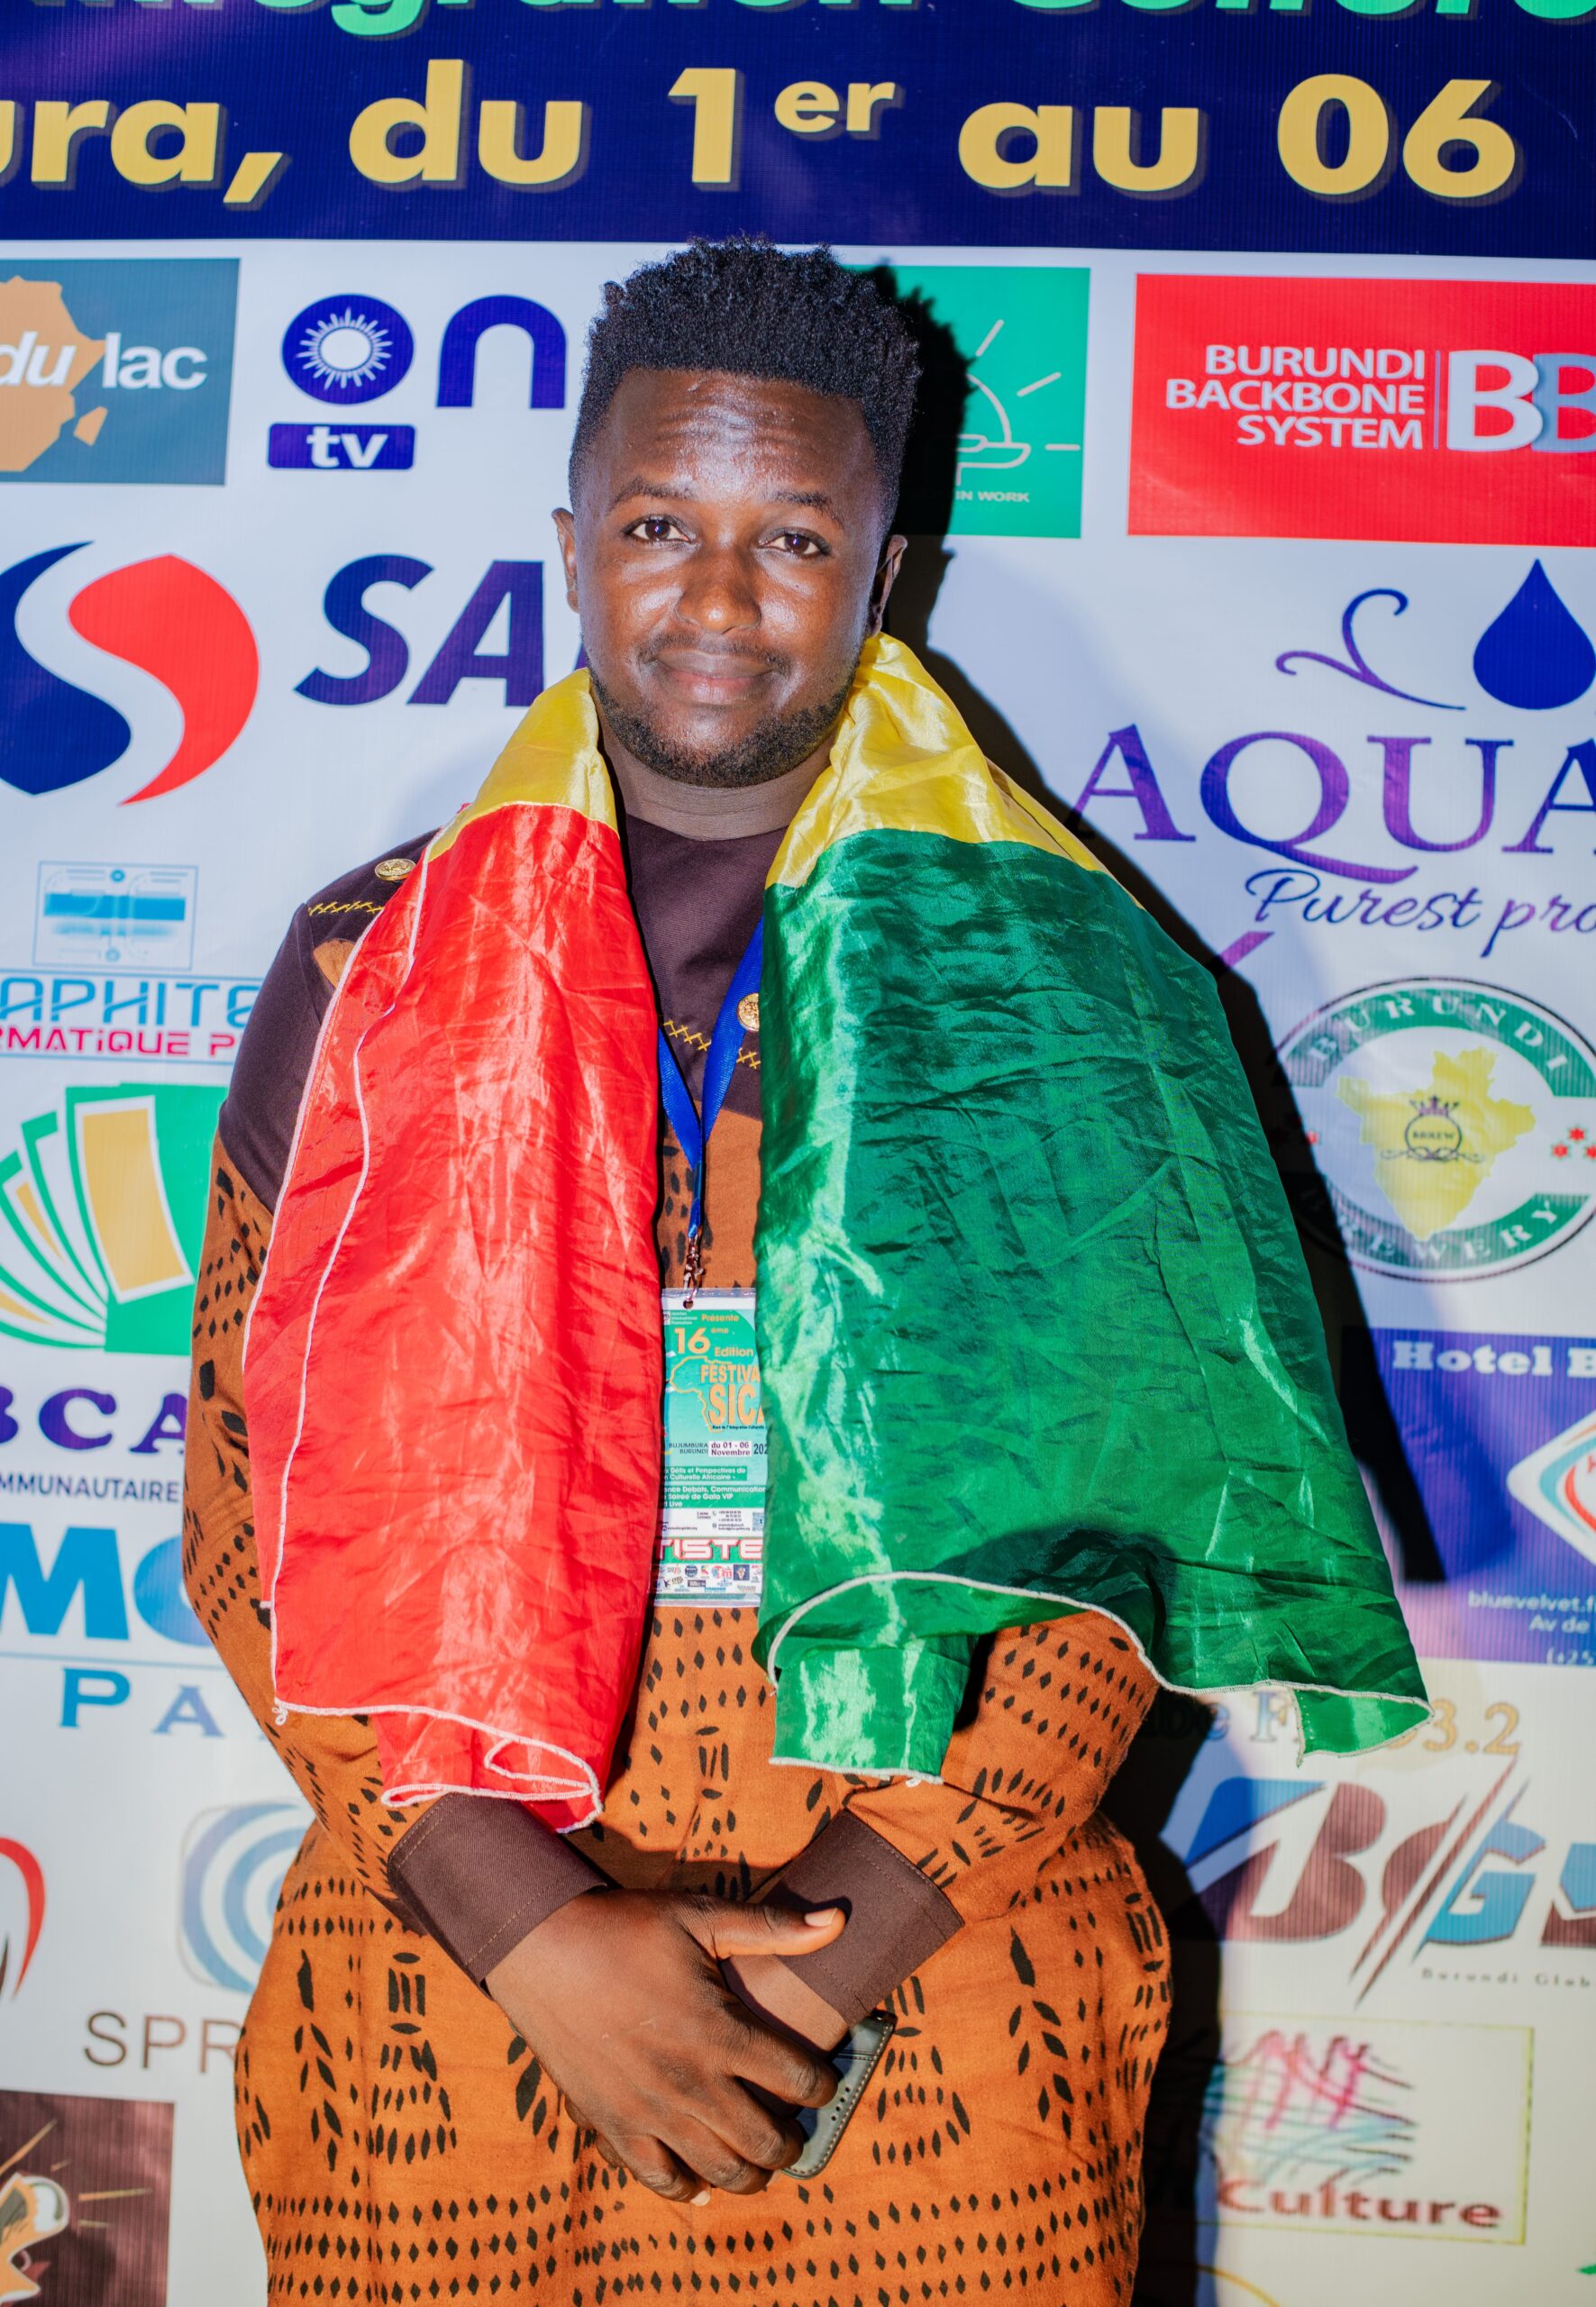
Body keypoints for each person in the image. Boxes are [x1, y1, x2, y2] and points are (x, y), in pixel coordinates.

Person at [185, 240, 1427, 2307]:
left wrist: (800, 1973)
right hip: (451, 2005)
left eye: (792, 537)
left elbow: (1120, 1542)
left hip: (937, 2006)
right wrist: (533, 1933)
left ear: (886, 568)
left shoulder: (1059, 978)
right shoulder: (367, 958)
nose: (715, 598)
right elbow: (252, 1507)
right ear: (570, 547)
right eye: (658, 527)